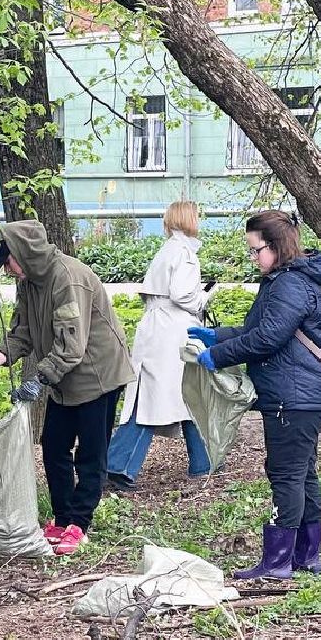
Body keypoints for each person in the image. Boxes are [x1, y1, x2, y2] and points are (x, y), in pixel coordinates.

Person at [189, 211, 321, 580]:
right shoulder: (288, 280)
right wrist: (219, 336)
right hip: (300, 394)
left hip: (295, 395)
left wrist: (218, 357)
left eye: (255, 250)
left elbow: (268, 338)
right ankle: (305, 555)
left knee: (286, 473)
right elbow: (262, 328)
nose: (252, 257)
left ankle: (278, 562)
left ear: (275, 246)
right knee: (301, 473)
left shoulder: (289, 283)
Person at [0, 220, 134, 557]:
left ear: (24, 254)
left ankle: (79, 524)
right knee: (53, 446)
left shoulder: (67, 279)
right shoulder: (29, 282)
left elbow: (72, 347)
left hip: (97, 374)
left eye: (8, 263)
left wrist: (38, 379)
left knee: (91, 453)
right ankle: (62, 519)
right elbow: (23, 332)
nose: (8, 271)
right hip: (64, 376)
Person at [106, 200, 213, 489]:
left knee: (173, 393)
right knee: (162, 397)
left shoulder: (168, 250)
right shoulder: (185, 253)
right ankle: (118, 465)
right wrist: (203, 298)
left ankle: (204, 460)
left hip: (157, 327)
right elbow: (182, 294)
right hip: (172, 330)